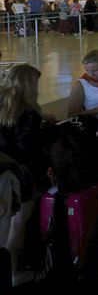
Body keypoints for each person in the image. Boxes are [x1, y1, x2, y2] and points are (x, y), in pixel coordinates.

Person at [0, 64, 51, 286]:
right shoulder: (28, 113)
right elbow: (30, 152)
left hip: (2, 172)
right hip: (22, 177)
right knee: (16, 228)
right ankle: (14, 274)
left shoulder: (4, 105)